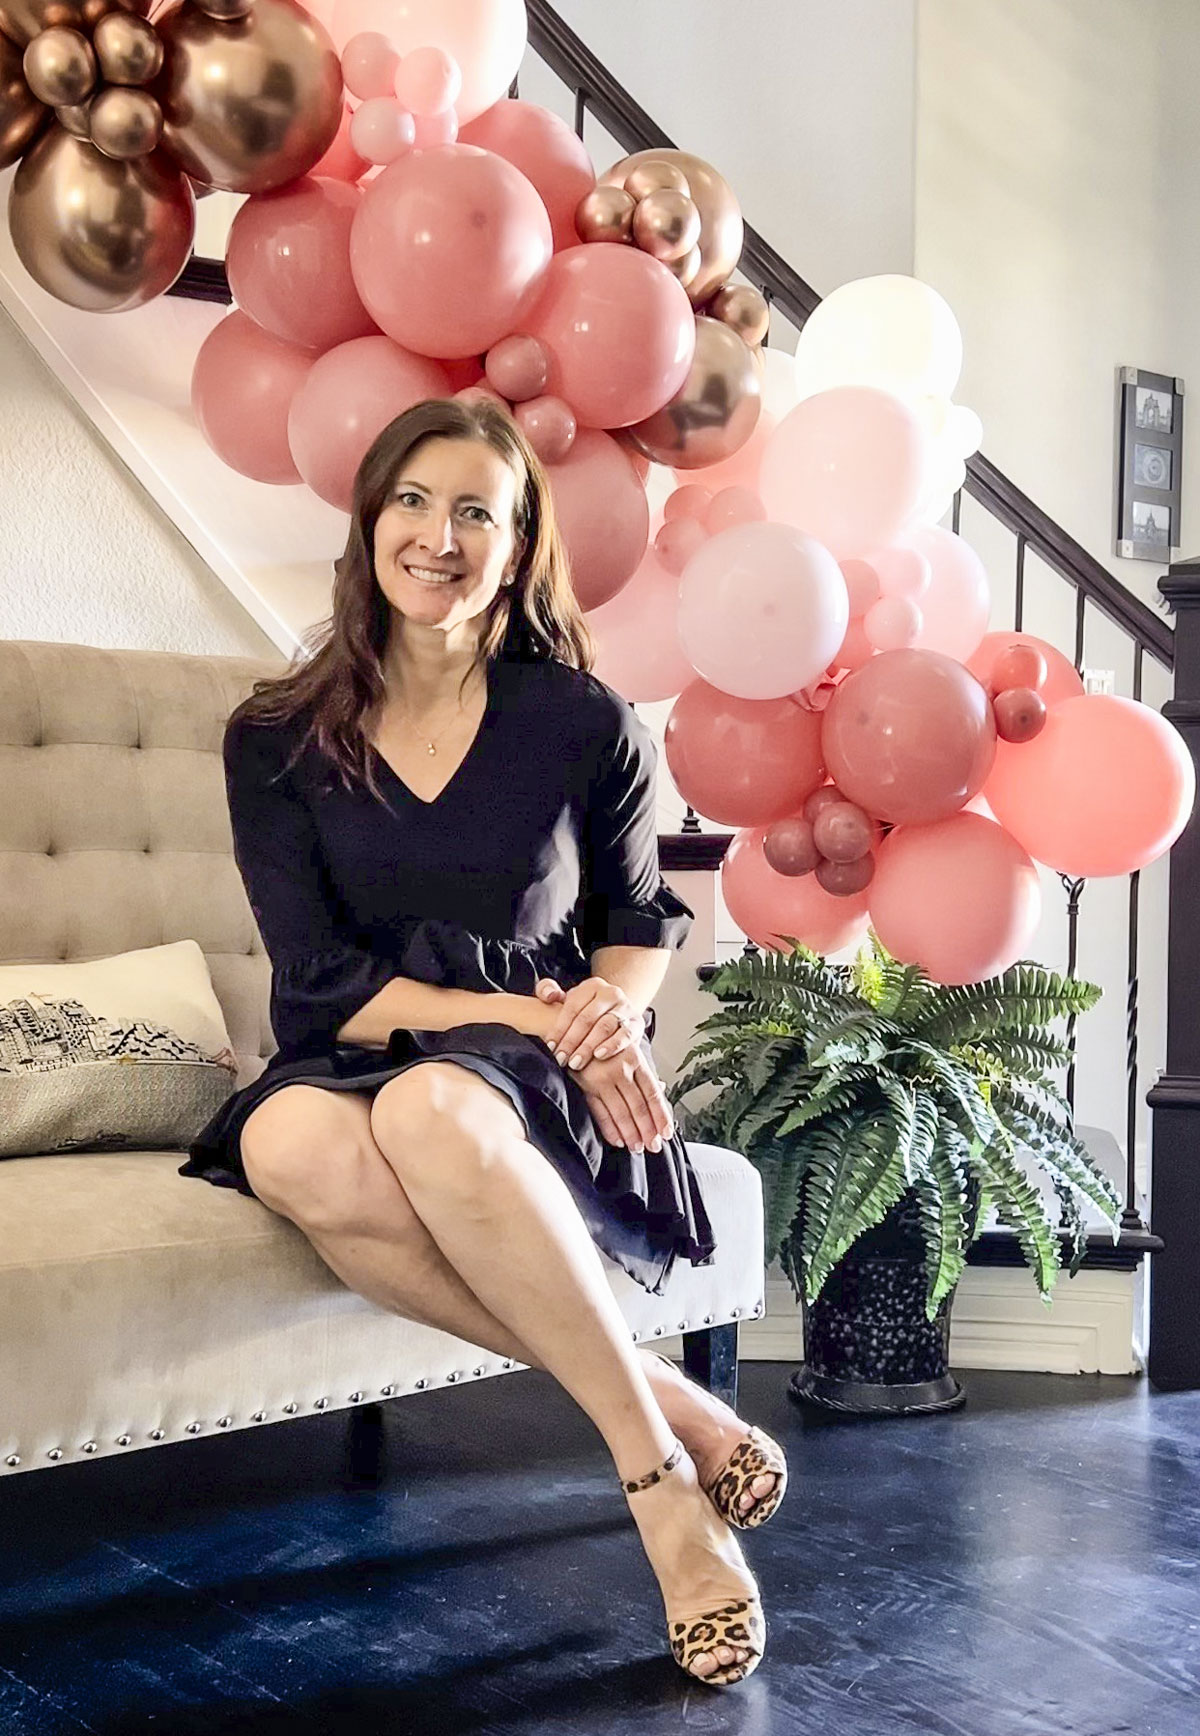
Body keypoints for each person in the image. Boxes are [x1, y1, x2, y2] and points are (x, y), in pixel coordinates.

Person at [179, 396, 786, 1686]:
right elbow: (319, 977)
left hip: (524, 1070)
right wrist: (520, 1006)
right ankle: (674, 1405)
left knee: (432, 1115)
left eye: (476, 513)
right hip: (366, 1034)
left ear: (516, 549)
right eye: (412, 500)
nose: (438, 536)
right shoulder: (275, 738)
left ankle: (660, 1492)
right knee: (289, 1145)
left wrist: (608, 1008)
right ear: (368, 523)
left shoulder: (582, 720)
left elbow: (638, 923)